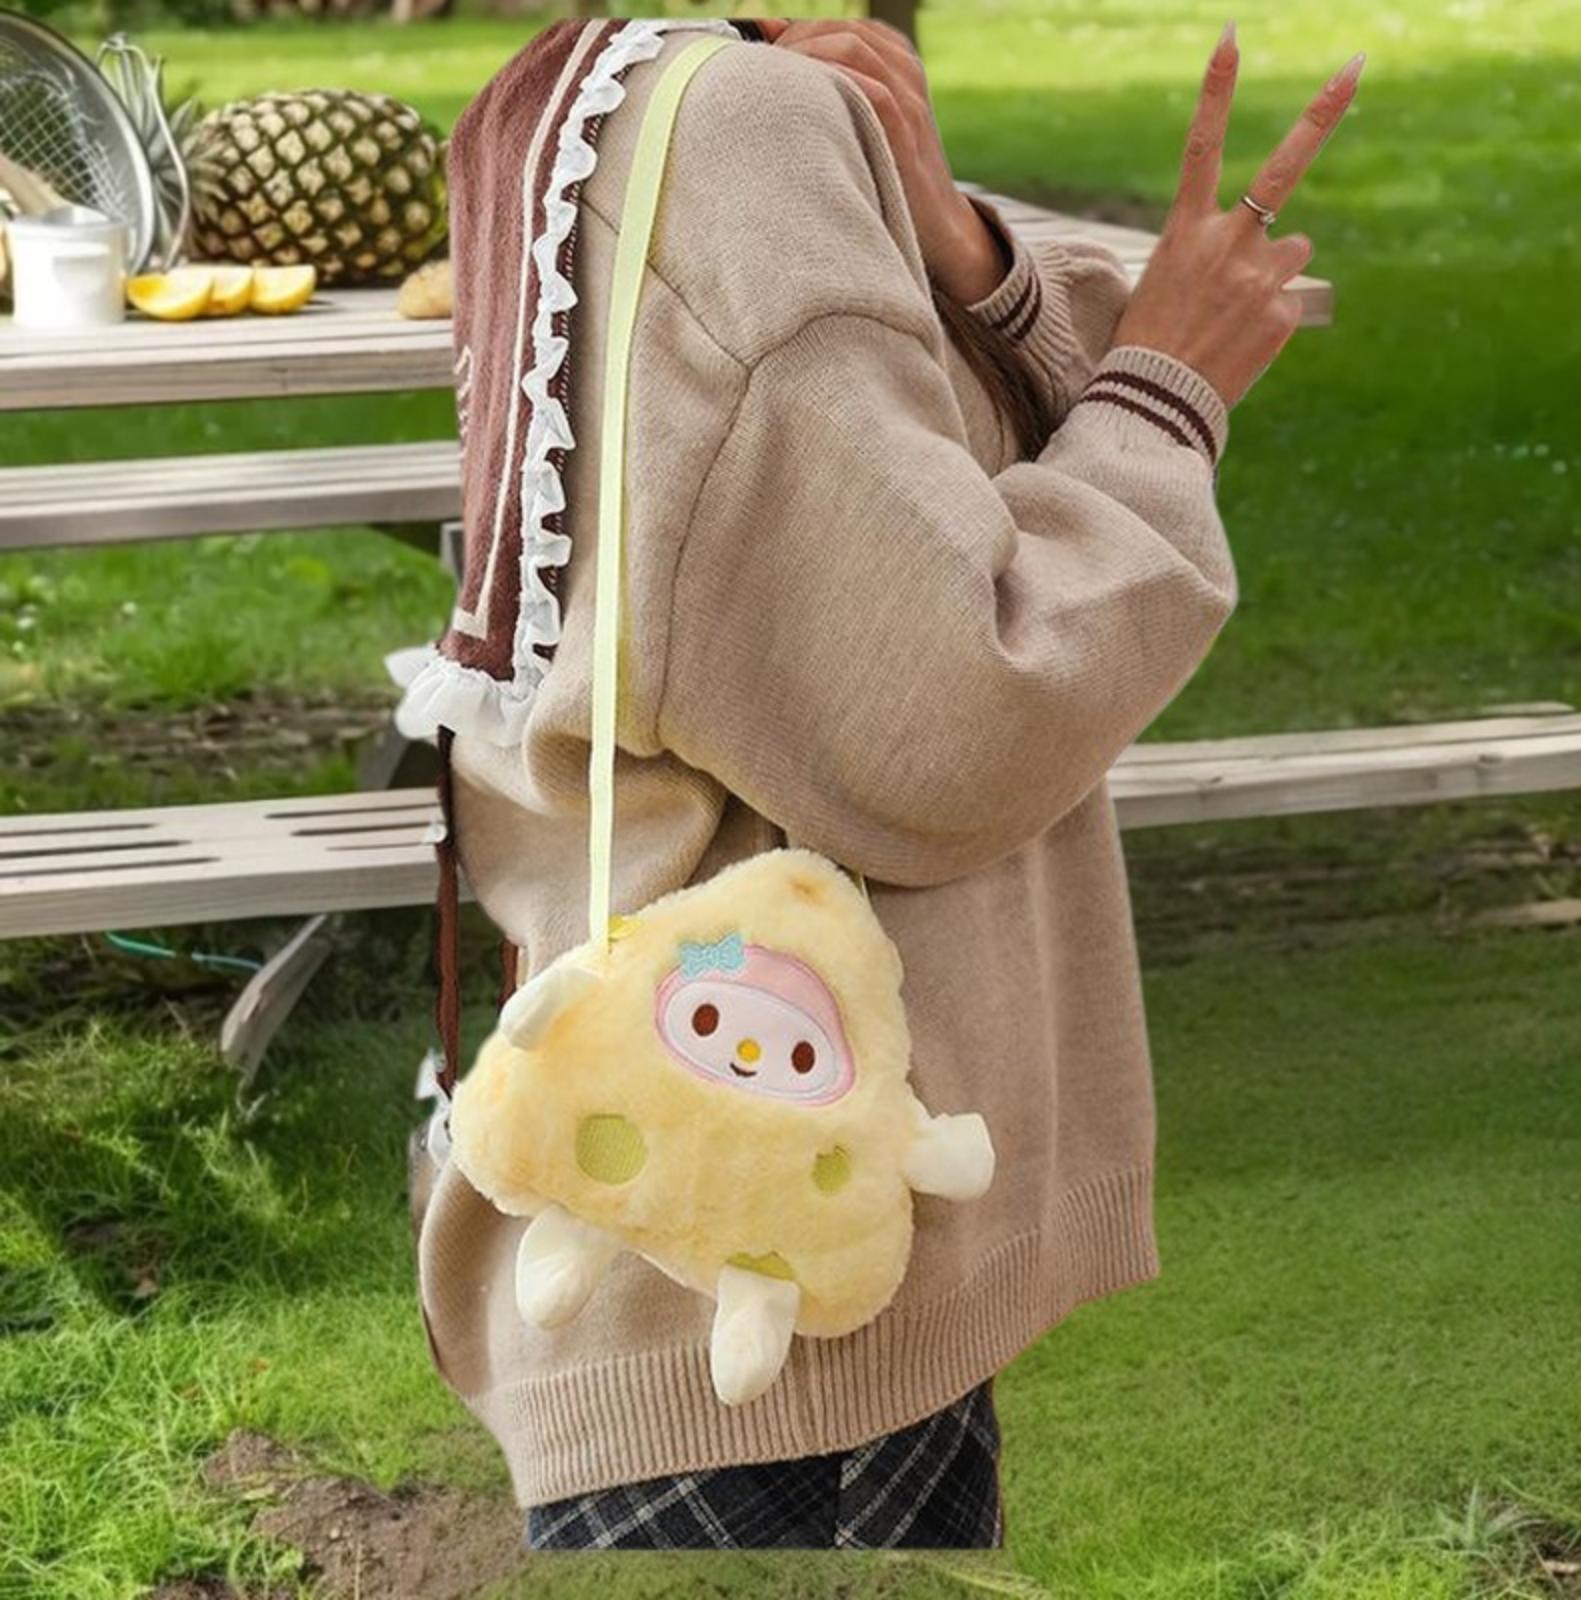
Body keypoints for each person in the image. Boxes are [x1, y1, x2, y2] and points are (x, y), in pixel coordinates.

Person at [400, 14, 1363, 1552]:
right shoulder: (742, 129)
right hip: (771, 1274)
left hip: (696, 1196)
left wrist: (973, 266)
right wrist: (1164, 392)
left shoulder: (588, 100)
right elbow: (952, 716)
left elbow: (897, 491)